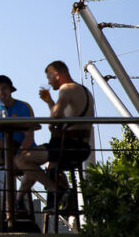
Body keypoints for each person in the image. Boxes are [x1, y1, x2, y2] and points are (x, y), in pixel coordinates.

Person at [14, 60, 94, 210]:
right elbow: (63, 116)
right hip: (82, 147)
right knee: (43, 164)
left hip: (66, 147)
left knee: (21, 159)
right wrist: (50, 101)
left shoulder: (66, 89)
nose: (49, 83)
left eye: (49, 78)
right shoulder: (84, 91)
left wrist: (51, 123)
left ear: (57, 75)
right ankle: (28, 201)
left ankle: (56, 190)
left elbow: (56, 115)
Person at [0, 75, 36, 186]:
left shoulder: (23, 107)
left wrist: (20, 155)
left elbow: (29, 136)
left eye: (4, 88)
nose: (1, 92)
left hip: (21, 149)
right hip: (1, 151)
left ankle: (17, 200)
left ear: (10, 90)